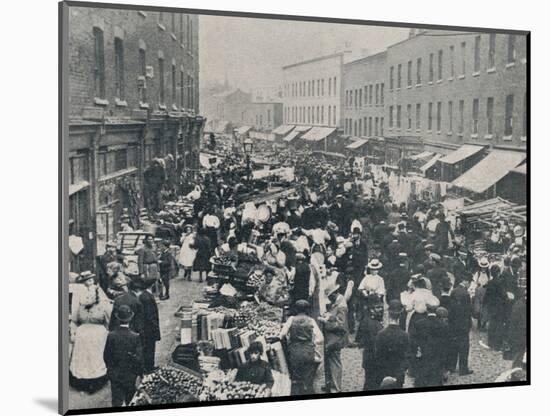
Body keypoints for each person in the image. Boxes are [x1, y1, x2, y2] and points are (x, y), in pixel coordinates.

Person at [69, 271, 112, 393]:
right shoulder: (80, 293)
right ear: (83, 282)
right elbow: (76, 311)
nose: (90, 282)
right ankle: (89, 380)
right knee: (87, 355)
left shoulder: (97, 290)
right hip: (88, 327)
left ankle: (94, 380)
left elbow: (105, 305)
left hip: (92, 327)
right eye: (88, 280)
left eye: (91, 279)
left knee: (93, 355)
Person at [279, 300, 324, 395]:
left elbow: (282, 334)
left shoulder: (291, 319)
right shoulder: (311, 320)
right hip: (308, 351)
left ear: (296, 309)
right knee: (308, 378)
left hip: (294, 352)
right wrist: (313, 342)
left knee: (296, 378)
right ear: (307, 309)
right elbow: (320, 338)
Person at [103, 305, 144, 407]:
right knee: (130, 400)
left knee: (116, 401)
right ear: (130, 319)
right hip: (130, 375)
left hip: (115, 374)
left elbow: (106, 355)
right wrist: (139, 373)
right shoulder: (135, 337)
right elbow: (138, 358)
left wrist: (110, 369)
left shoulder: (111, 335)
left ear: (117, 318)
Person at [319, 283, 349, 393]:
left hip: (335, 339)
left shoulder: (341, 306)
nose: (329, 299)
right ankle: (329, 384)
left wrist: (327, 320)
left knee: (335, 363)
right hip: (330, 338)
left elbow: (341, 324)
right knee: (328, 362)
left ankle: (336, 388)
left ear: (334, 294)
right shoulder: (336, 303)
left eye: (330, 296)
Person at [410, 298, 446, 387]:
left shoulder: (419, 323)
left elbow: (413, 343)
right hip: (437, 360)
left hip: (423, 359)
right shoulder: (443, 325)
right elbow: (446, 344)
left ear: (426, 309)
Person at [375, 300, 410, 388]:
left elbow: (378, 356)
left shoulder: (381, 334)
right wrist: (399, 373)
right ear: (400, 314)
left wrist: (385, 374)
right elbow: (407, 357)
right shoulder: (405, 335)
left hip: (383, 373)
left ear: (388, 314)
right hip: (399, 374)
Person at [355, 294, 384, 390]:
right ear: (371, 309)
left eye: (381, 307)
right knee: (372, 384)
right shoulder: (371, 323)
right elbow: (374, 342)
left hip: (369, 359)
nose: (380, 309)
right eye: (377, 307)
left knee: (369, 382)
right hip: (373, 360)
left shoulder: (368, 320)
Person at [448, 276, 474, 375]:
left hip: (454, 323)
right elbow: (468, 310)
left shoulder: (454, 291)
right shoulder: (466, 294)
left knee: (454, 345)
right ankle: (463, 369)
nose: (470, 284)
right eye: (469, 282)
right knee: (464, 347)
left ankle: (452, 366)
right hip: (463, 324)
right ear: (465, 281)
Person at [138, 278, 161, 373]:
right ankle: (149, 367)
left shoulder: (144, 295)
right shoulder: (147, 297)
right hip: (149, 328)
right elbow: (151, 315)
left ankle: (147, 366)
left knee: (147, 348)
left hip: (146, 327)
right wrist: (155, 328)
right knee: (150, 348)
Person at [484, 263, 507, 350]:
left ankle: (491, 342)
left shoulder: (489, 283)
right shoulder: (500, 283)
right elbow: (503, 295)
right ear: (498, 272)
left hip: (492, 307)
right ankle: (497, 344)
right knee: (499, 326)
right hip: (500, 307)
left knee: (492, 325)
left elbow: (487, 296)